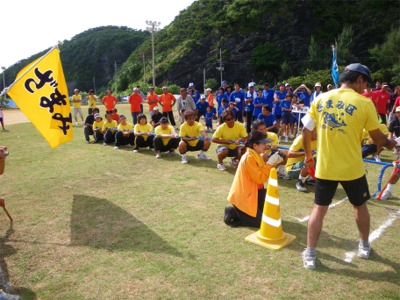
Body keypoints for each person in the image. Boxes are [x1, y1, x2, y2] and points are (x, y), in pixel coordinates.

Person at [301, 63, 397, 270]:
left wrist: (309, 155)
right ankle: (364, 246)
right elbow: (377, 138)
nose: (365, 88)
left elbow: (305, 130)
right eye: (365, 83)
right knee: (360, 206)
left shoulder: (320, 98)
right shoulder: (364, 103)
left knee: (319, 208)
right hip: (352, 168)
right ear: (359, 80)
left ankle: (310, 253)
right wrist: (390, 143)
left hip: (325, 167)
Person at [223, 130, 285, 227]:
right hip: (244, 197)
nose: (266, 146)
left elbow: (263, 174)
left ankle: (243, 213)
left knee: (269, 215)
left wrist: (273, 163)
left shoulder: (255, 155)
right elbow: (259, 179)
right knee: (262, 223)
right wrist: (270, 163)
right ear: (255, 145)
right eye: (263, 143)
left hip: (253, 193)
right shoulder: (249, 157)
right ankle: (233, 211)